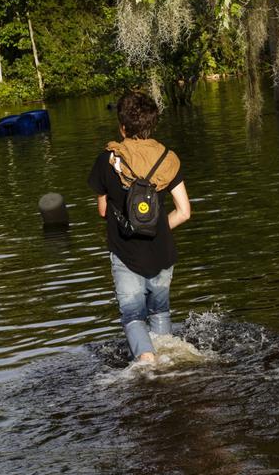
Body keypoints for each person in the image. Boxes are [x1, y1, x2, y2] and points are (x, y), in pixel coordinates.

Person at [88, 92, 191, 365]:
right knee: (160, 312)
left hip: (125, 253)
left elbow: (101, 211)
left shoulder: (107, 160)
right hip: (162, 253)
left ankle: (147, 363)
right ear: (152, 123)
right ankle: (169, 364)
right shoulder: (168, 159)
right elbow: (184, 212)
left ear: (122, 127)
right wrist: (157, 227)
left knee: (133, 316)